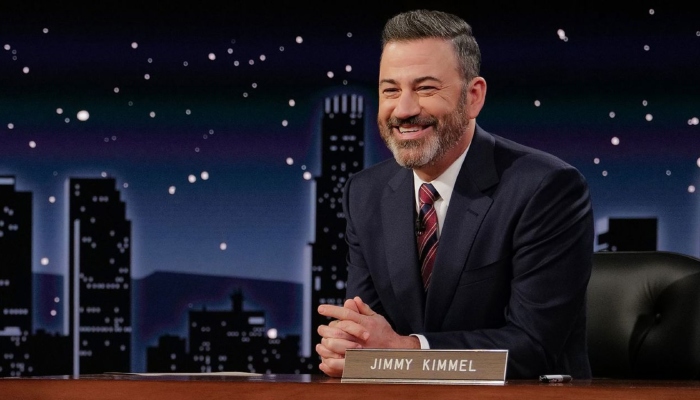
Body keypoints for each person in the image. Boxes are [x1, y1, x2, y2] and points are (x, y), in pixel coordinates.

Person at [315, 9, 594, 379]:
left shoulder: (546, 188)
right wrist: (350, 344)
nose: (404, 109)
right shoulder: (365, 193)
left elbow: (534, 347)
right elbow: (367, 329)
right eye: (391, 90)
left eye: (426, 88)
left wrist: (407, 351)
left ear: (473, 97)